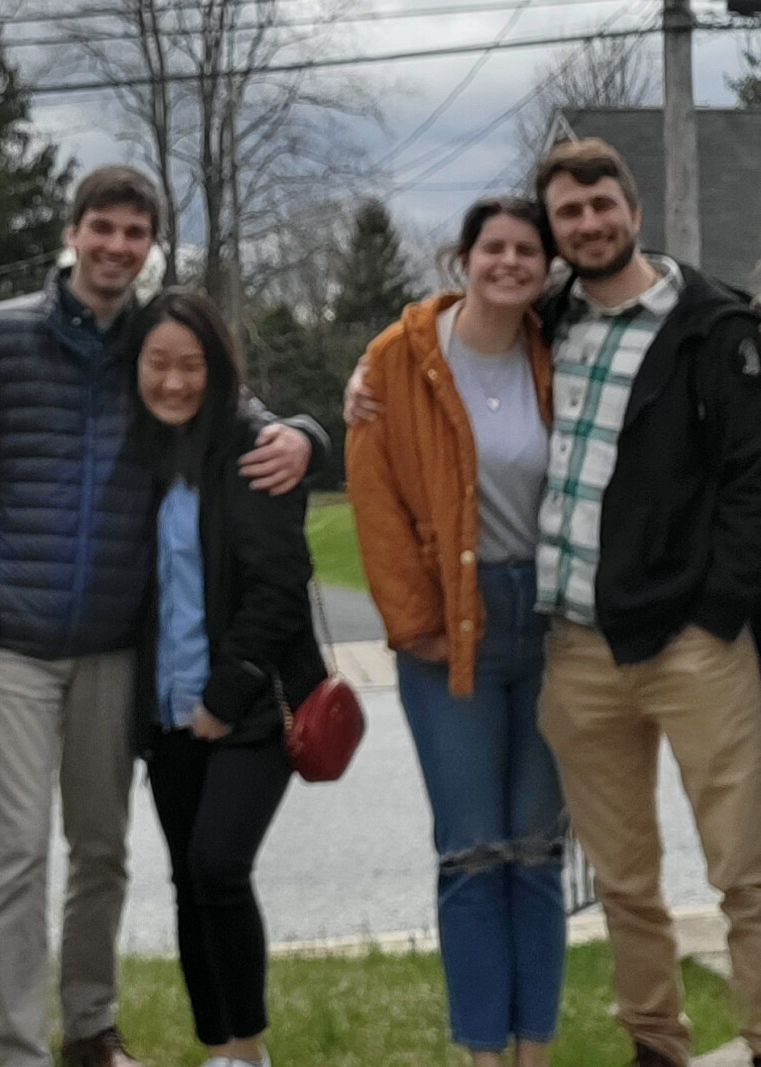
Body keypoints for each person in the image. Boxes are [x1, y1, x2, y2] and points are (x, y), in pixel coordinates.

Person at [0, 164, 326, 1067]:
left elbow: (229, 402)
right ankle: (19, 1047)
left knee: (102, 849)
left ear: (151, 245)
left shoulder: (153, 337)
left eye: (133, 234)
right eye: (100, 228)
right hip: (10, 639)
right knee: (16, 854)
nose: (114, 246)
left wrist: (309, 431)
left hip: (113, 647)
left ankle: (90, 1029)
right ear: (73, 231)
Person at [528, 138, 761, 1067]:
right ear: (554, 228)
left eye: (601, 206)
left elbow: (753, 484)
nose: (588, 224)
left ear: (632, 205)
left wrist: (717, 609)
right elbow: (440, 339)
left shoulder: (719, 328)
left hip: (695, 647)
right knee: (624, 879)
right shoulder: (546, 322)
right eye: (569, 214)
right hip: (579, 648)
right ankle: (656, 1044)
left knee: (747, 870)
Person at [346, 197, 565, 1067]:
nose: (509, 263)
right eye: (493, 248)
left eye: (526, 251)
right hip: (449, 627)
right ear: (462, 257)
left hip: (551, 622)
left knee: (538, 852)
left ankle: (534, 1054)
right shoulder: (397, 359)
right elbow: (376, 498)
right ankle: (483, 1055)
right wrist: (416, 623)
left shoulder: (560, 350)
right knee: (473, 851)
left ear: (545, 268)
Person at [129, 289, 323, 1067]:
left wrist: (223, 695)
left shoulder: (253, 447)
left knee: (218, 865)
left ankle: (248, 1050)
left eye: (192, 365)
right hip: (163, 710)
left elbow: (281, 585)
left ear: (219, 368)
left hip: (250, 706)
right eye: (158, 364)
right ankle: (218, 1046)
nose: (175, 382)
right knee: (186, 879)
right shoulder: (135, 450)